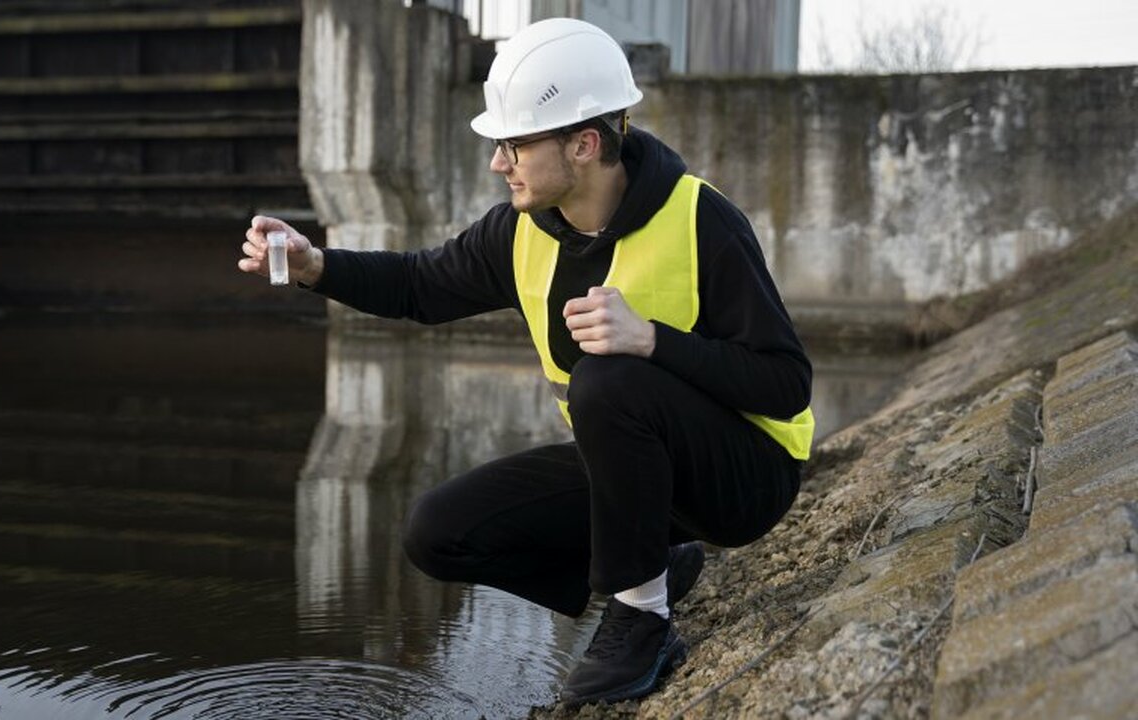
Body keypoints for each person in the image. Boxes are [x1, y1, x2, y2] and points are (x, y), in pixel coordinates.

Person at [238, 17, 814, 707]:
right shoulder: (519, 231)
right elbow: (418, 284)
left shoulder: (702, 219)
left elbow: (786, 384)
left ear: (584, 144)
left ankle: (642, 619)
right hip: (637, 476)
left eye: (513, 145)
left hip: (748, 477)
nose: (498, 163)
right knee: (437, 533)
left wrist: (653, 340)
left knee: (606, 373)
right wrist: (315, 266)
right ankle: (652, 564)